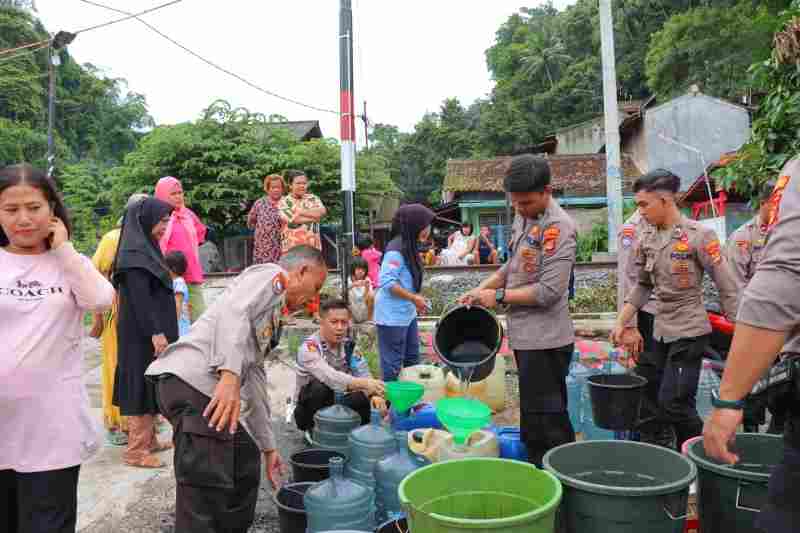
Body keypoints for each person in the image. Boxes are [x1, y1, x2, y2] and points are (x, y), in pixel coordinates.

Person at [144, 245, 329, 533]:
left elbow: (254, 375)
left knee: (244, 462)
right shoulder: (272, 276)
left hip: (207, 391)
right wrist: (229, 376)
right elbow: (233, 311)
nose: (313, 297)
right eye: (315, 286)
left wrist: (268, 448)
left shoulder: (274, 313)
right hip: (193, 383)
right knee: (206, 488)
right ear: (301, 270)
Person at [0, 163, 114, 533]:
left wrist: (63, 250)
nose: (23, 219)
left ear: (52, 210)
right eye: (11, 209)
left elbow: (101, 299)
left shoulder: (69, 264)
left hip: (53, 431)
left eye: (34, 207)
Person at [459, 154, 578, 467]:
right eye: (515, 203)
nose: (518, 209)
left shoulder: (559, 228)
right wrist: (481, 288)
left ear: (546, 191)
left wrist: (497, 296)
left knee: (549, 421)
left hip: (547, 340)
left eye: (525, 203)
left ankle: (558, 478)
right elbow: (512, 266)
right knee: (534, 417)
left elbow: (550, 291)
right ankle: (536, 470)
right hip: (526, 338)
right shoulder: (525, 217)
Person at [703, 158, 800, 533]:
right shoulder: (741, 237)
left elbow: (783, 280)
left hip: (765, 329)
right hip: (756, 332)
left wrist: (728, 401)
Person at [611, 169, 739, 451]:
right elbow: (642, 286)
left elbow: (726, 285)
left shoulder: (700, 236)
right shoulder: (648, 238)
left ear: (665, 201)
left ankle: (705, 451)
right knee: (646, 387)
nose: (639, 211)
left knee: (675, 402)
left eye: (644, 204)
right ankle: (670, 450)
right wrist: (622, 322)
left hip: (689, 330)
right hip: (659, 329)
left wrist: (741, 331)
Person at [112, 197, 178, 468]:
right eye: (162, 221)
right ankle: (135, 450)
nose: (165, 226)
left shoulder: (147, 250)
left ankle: (149, 441)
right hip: (142, 334)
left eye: (167, 221)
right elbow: (140, 300)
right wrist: (155, 332)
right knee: (141, 382)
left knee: (151, 381)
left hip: (151, 331)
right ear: (145, 220)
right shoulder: (133, 258)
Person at [90, 193, 148, 447]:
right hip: (115, 309)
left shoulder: (149, 238)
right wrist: (98, 317)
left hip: (140, 311)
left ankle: (140, 420)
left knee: (140, 364)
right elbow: (96, 277)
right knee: (116, 363)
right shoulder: (112, 239)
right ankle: (116, 422)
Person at [294, 298, 387, 434]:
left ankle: (352, 433)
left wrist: (374, 395)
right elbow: (330, 377)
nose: (339, 327)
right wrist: (365, 383)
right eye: (334, 322)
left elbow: (362, 371)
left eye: (344, 322)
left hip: (337, 402)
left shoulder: (349, 346)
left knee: (372, 400)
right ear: (321, 322)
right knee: (319, 388)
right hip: (309, 408)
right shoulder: (310, 347)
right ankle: (314, 431)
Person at [615, 208, 664, 441]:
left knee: (666, 379)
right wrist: (630, 326)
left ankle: (663, 433)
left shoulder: (669, 224)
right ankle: (650, 438)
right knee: (650, 377)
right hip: (646, 314)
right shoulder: (632, 227)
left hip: (669, 315)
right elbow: (628, 279)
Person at [375, 204, 435, 382]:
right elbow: (386, 282)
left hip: (406, 314)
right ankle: (391, 405)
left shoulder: (410, 245)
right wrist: (413, 298)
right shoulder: (395, 249)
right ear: (414, 225)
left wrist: (416, 301)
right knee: (393, 365)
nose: (428, 230)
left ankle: (410, 402)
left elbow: (407, 281)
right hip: (391, 316)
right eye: (425, 225)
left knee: (412, 360)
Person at [155, 176, 208, 323]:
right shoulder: (157, 218)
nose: (178, 197)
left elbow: (200, 238)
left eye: (180, 192)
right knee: (175, 321)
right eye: (173, 194)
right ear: (162, 195)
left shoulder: (188, 215)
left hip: (192, 275)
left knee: (199, 319)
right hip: (168, 278)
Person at [278, 170, 327, 319]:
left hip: (312, 249)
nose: (302, 186)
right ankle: (286, 313)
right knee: (287, 281)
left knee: (313, 282)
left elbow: (322, 212)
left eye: (304, 183)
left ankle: (314, 312)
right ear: (290, 185)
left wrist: (300, 214)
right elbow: (291, 220)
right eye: (298, 183)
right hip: (292, 250)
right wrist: (310, 216)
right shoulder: (284, 201)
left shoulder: (314, 198)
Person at [247, 174, 285, 265]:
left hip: (282, 245)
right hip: (263, 247)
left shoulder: (287, 202)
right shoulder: (259, 203)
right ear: (267, 189)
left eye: (278, 187)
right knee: (262, 272)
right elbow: (251, 221)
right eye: (273, 187)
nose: (276, 190)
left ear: (282, 189)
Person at [165, 251, 192, 338]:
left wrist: (172, 325)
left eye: (166, 267)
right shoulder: (176, 282)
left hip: (179, 326)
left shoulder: (178, 282)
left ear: (173, 269)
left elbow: (177, 305)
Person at [349, 256, 374, 324]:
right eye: (358, 269)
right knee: (345, 295)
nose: (361, 272)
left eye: (363, 270)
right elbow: (340, 294)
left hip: (362, 310)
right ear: (353, 269)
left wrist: (367, 288)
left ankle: (369, 320)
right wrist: (353, 285)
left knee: (371, 295)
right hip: (351, 311)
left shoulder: (367, 279)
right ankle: (349, 320)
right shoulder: (347, 280)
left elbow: (365, 299)